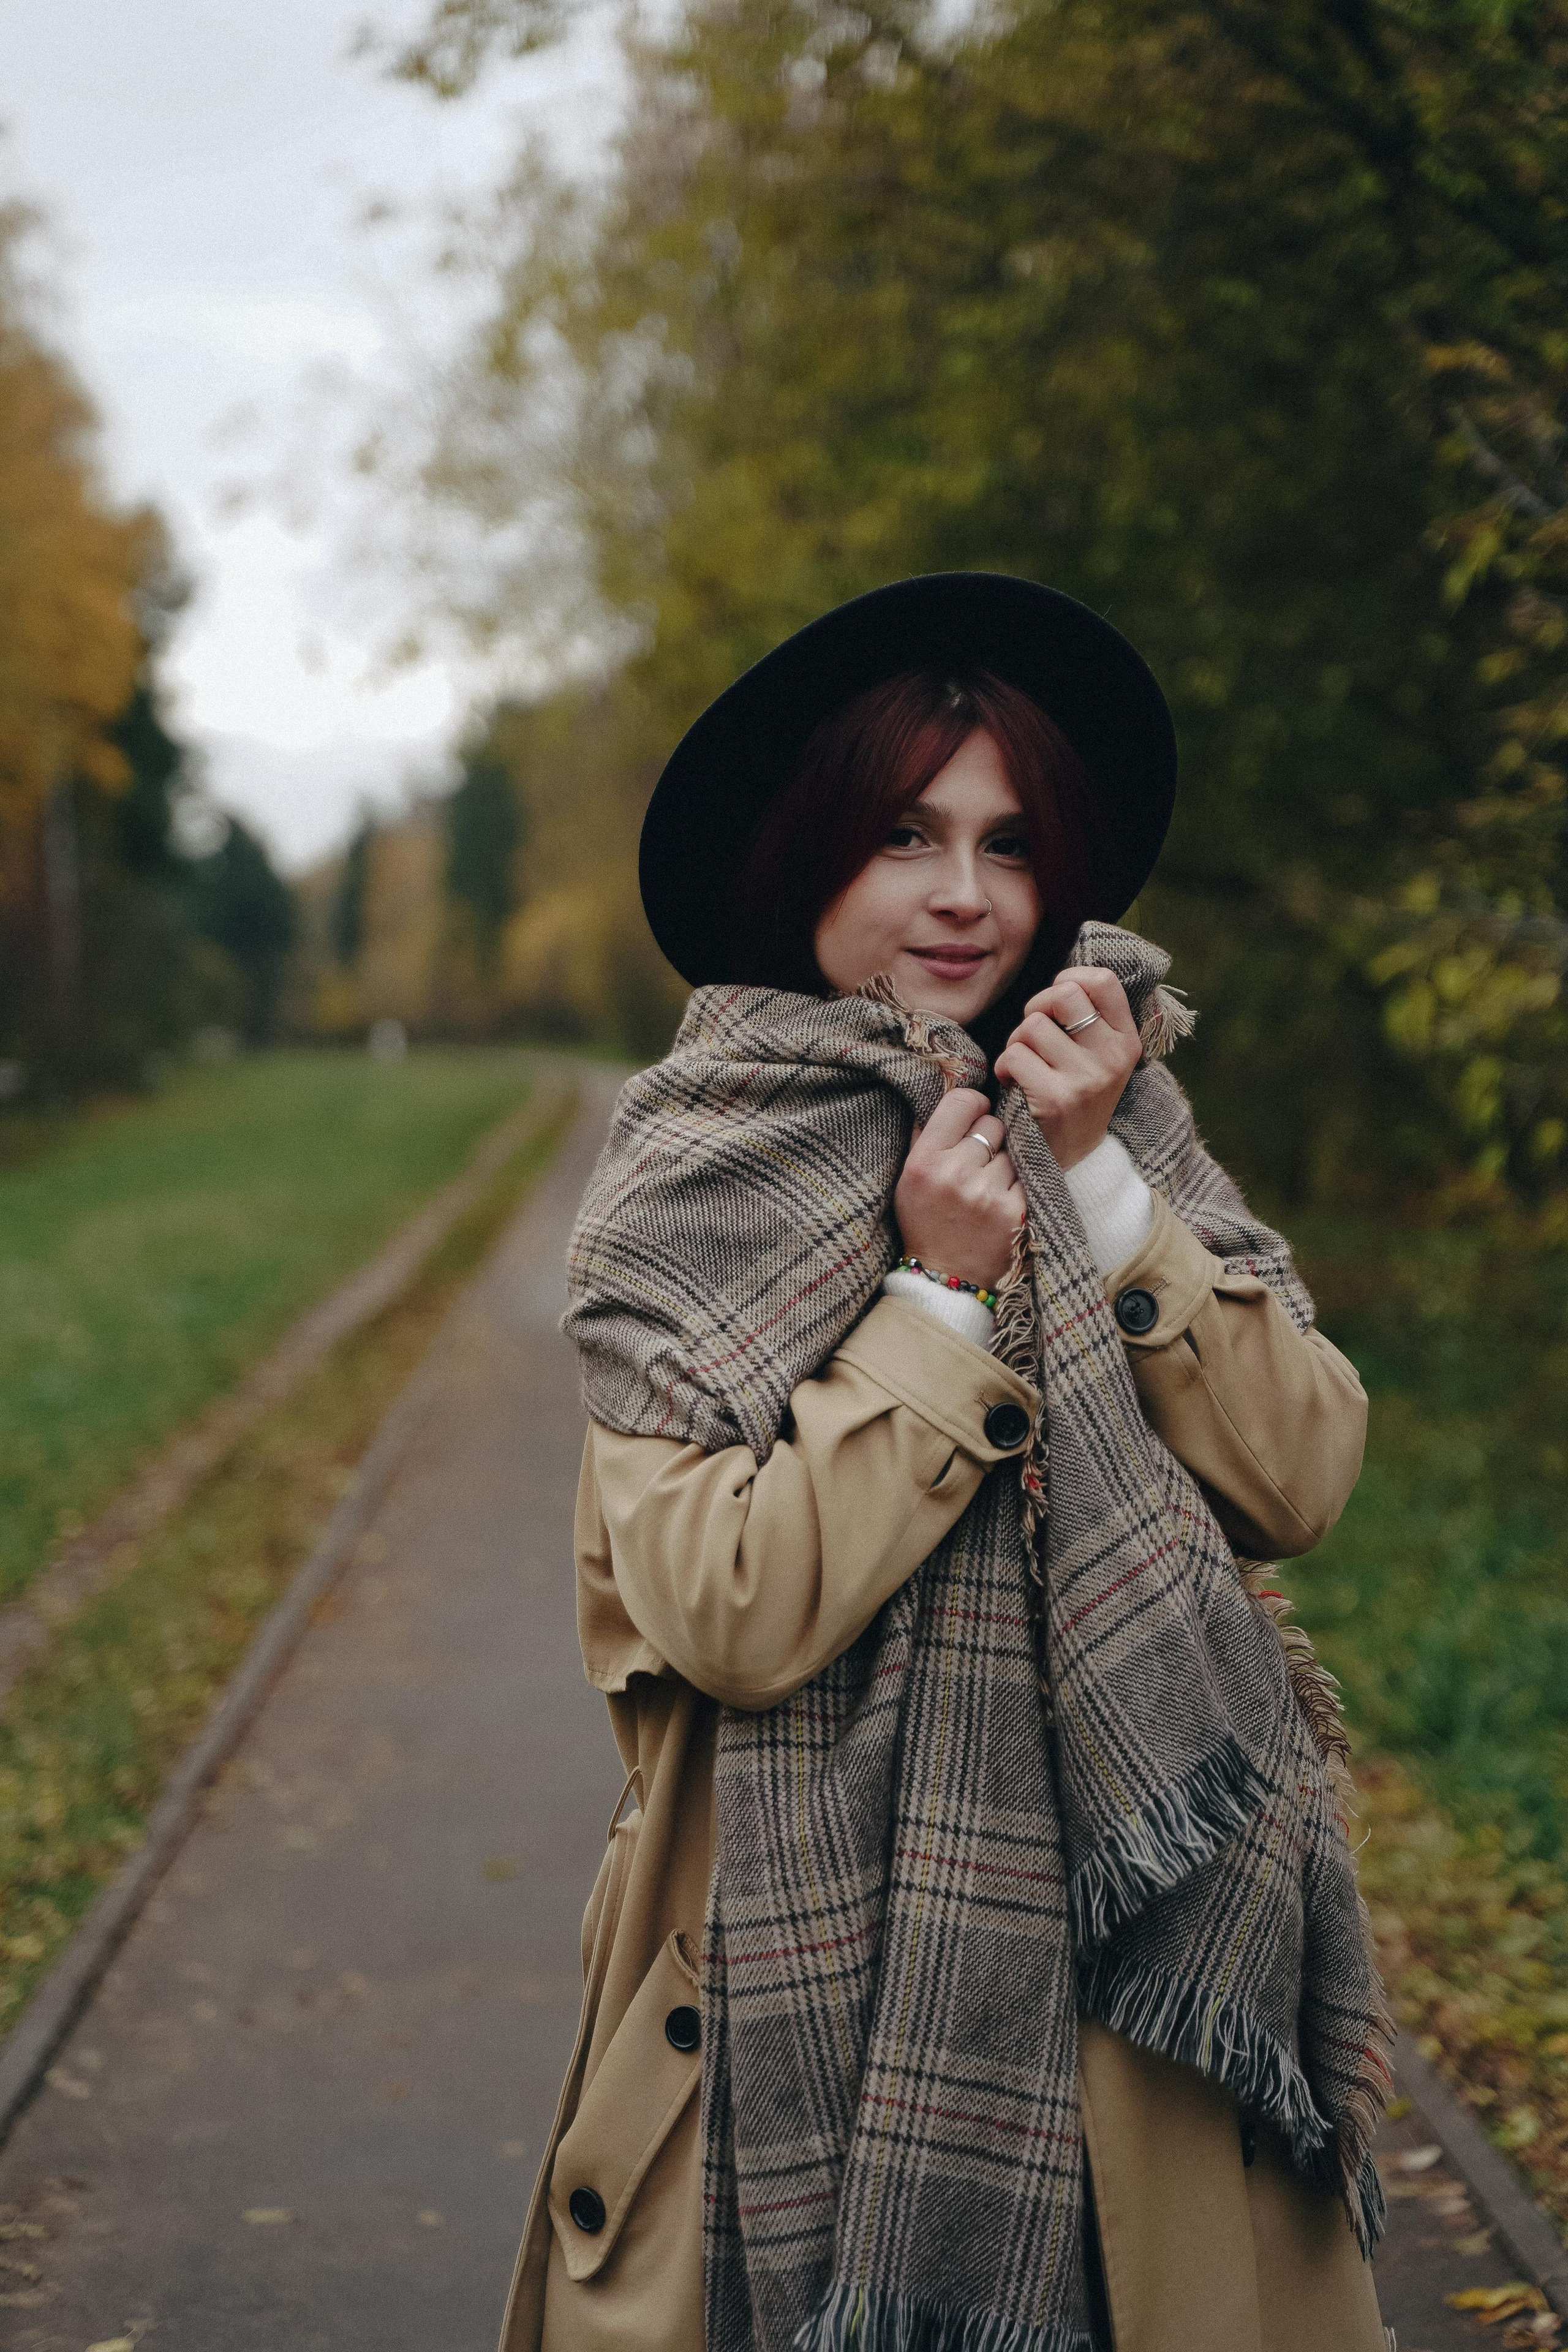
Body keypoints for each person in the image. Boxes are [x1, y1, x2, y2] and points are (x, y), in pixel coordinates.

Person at [498, 574, 1393, 2352]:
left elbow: (1301, 1474)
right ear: (808, 856)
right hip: (790, 2005)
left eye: (1007, 841)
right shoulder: (693, 1181)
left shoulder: (1111, 1106)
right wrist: (939, 1300)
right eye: (907, 834)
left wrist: (1107, 1192)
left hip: (1140, 2024)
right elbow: (726, 1608)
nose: (968, 896)